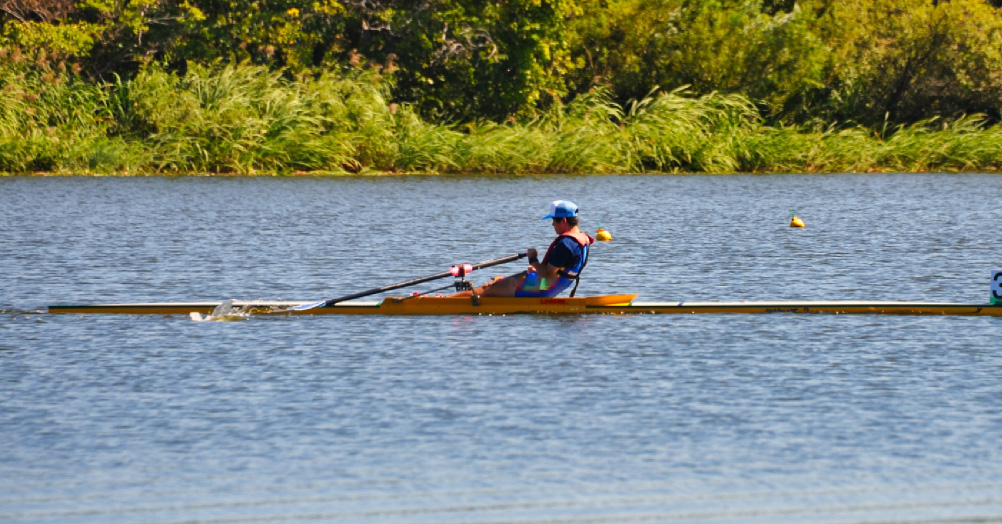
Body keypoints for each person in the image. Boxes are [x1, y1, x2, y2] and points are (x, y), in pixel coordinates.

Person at [452, 200, 594, 298]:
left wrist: (533, 259)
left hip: (543, 287)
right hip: (552, 286)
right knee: (496, 284)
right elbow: (558, 270)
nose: (552, 225)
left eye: (554, 221)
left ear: (563, 221)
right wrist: (536, 268)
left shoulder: (566, 244)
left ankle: (442, 301)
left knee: (487, 289)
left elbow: (546, 273)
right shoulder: (581, 239)